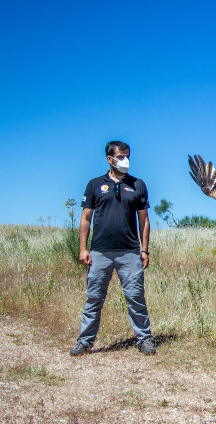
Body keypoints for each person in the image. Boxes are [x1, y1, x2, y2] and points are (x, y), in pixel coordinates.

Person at [70, 140, 155, 356]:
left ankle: (144, 340)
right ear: (110, 159)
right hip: (100, 252)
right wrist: (83, 248)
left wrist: (144, 250)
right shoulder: (94, 184)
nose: (125, 160)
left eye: (127, 156)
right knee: (94, 298)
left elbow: (143, 220)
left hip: (129, 252)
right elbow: (85, 218)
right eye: (120, 157)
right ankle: (85, 342)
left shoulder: (138, 185)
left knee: (136, 297)